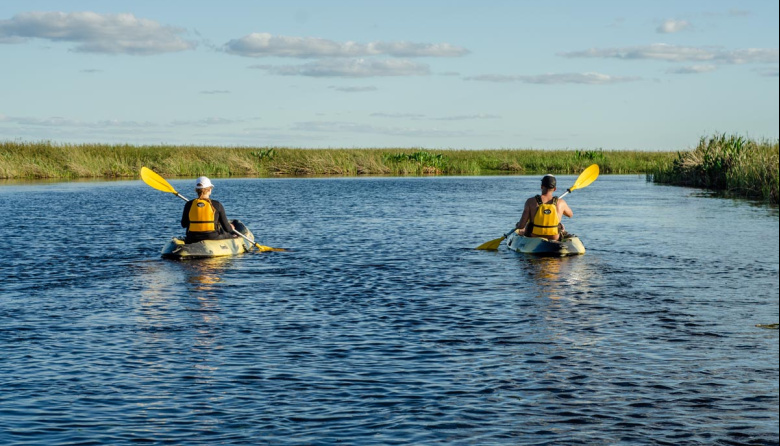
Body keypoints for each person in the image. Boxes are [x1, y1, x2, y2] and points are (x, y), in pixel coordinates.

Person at [514, 174, 573, 241]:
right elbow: (570, 215)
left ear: (541, 187)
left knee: (524, 227)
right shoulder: (561, 203)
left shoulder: (530, 201)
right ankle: (561, 232)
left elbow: (521, 225)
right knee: (561, 226)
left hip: (535, 235)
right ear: (555, 189)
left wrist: (518, 226)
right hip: (554, 237)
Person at [181, 176, 236, 244]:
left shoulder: (189, 204)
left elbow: (184, 224)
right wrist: (231, 228)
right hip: (212, 237)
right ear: (209, 190)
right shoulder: (217, 204)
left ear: (196, 190)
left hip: (192, 237)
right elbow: (227, 228)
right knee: (229, 235)